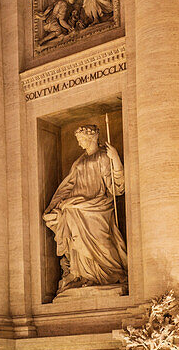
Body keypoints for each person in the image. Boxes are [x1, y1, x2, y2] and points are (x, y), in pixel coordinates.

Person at [43, 124, 127, 295]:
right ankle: (84, 275)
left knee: (102, 240)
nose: (80, 144)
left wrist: (116, 159)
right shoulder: (79, 161)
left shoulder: (103, 157)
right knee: (70, 218)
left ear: (91, 138)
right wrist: (56, 205)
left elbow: (116, 188)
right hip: (76, 205)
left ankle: (111, 273)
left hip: (97, 205)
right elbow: (68, 185)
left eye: (82, 140)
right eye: (78, 140)